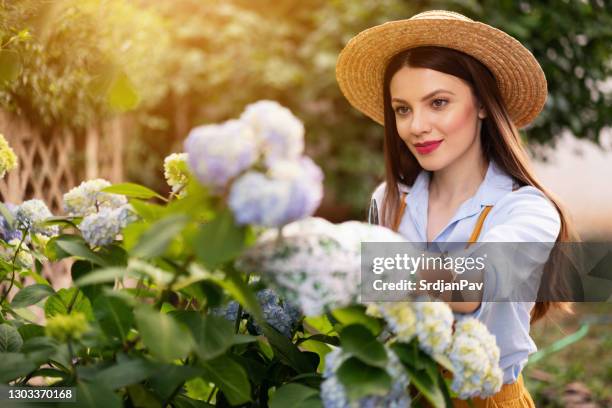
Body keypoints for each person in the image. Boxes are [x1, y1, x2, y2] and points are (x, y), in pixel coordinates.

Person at [336, 10, 577, 407]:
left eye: (439, 102)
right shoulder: (389, 200)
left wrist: (342, 261)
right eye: (403, 109)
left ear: (482, 104)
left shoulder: (528, 211)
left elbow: (468, 287)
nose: (417, 126)